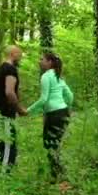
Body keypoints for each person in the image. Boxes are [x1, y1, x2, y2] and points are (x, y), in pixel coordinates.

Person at [26, 52, 73, 181]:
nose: (39, 61)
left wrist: (28, 110)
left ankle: (58, 176)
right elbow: (70, 95)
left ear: (50, 62)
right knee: (55, 145)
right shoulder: (59, 77)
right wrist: (65, 106)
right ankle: (58, 175)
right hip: (63, 113)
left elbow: (44, 99)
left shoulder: (46, 76)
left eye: (42, 59)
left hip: (54, 115)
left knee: (50, 145)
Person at [0, 45, 27, 171]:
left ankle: (0, 174)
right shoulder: (10, 70)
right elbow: (9, 92)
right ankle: (4, 179)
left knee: (0, 144)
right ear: (13, 54)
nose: (20, 57)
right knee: (8, 145)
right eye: (19, 54)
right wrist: (20, 109)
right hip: (5, 114)